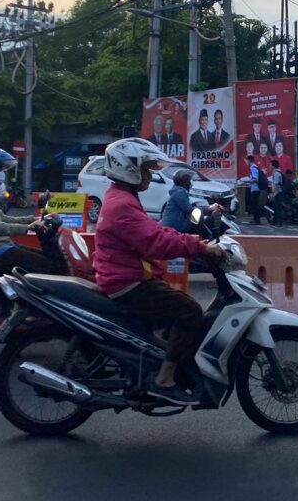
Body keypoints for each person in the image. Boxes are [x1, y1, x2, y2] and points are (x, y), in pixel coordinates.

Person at [93, 138, 223, 405]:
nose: (150, 175)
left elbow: (156, 231)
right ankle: (164, 379)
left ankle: (159, 361)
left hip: (126, 275)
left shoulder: (121, 197)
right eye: (146, 169)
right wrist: (199, 248)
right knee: (189, 311)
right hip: (128, 282)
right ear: (128, 169)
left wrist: (194, 242)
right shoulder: (122, 204)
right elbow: (156, 242)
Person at [0, 146, 59, 278]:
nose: (2, 173)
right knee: (45, 266)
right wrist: (27, 228)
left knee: (43, 259)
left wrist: (32, 220)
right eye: (0, 169)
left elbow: (3, 218)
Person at [246, 154, 263, 224]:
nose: (246, 162)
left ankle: (257, 220)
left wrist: (249, 181)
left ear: (249, 161)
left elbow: (255, 179)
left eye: (247, 161)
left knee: (255, 205)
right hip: (255, 189)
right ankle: (255, 220)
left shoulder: (253, 168)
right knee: (255, 205)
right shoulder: (254, 167)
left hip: (255, 189)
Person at [269, 159, 285, 225]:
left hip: (278, 193)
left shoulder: (276, 173)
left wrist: (272, 194)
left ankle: (279, 222)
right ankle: (275, 221)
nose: (269, 166)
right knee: (276, 208)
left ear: (273, 165)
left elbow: (275, 184)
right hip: (278, 192)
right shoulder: (277, 172)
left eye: (270, 164)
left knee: (278, 208)